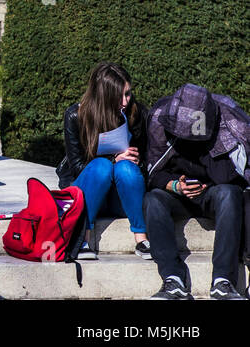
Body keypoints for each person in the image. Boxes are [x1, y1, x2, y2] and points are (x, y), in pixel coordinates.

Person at [144, 83, 250, 300]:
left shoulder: (226, 122)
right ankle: (173, 279)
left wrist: (204, 147)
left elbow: (232, 175)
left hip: (213, 192)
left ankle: (223, 281)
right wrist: (176, 185)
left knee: (230, 194)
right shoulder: (159, 119)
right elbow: (152, 173)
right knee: (152, 199)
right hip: (177, 193)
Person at [55, 61, 150, 261]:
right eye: (119, 96)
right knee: (101, 166)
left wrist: (135, 160)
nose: (125, 102)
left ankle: (141, 239)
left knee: (126, 167)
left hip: (120, 197)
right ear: (103, 96)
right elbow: (77, 168)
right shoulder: (76, 115)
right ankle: (84, 238)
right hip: (86, 192)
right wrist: (113, 158)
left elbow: (148, 162)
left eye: (128, 93)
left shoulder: (136, 114)